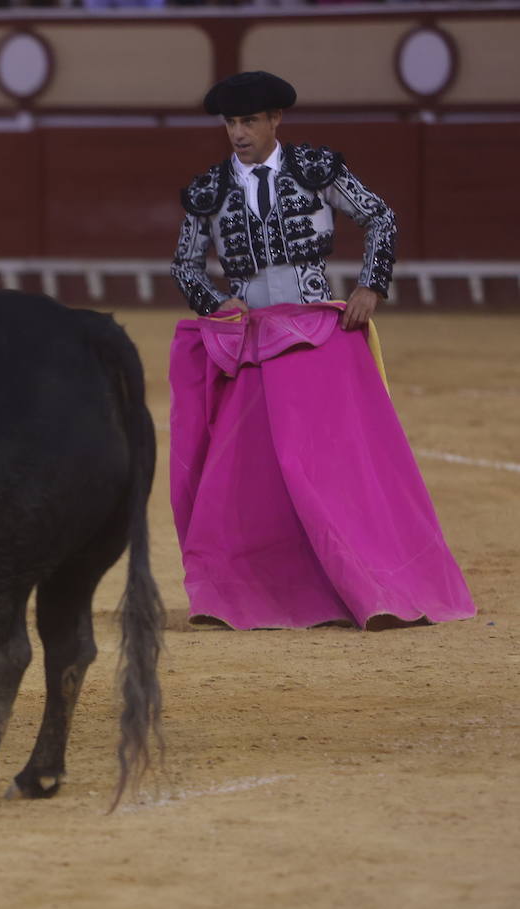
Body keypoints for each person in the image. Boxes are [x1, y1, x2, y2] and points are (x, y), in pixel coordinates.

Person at [167, 70, 475, 630]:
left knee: (332, 469)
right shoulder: (208, 191)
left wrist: (370, 285)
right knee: (242, 475)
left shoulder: (315, 170)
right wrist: (215, 307)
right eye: (231, 123)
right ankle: (233, 590)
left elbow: (380, 217)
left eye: (249, 121)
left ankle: (367, 583)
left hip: (316, 332)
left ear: (275, 120)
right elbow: (185, 265)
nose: (238, 132)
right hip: (254, 340)